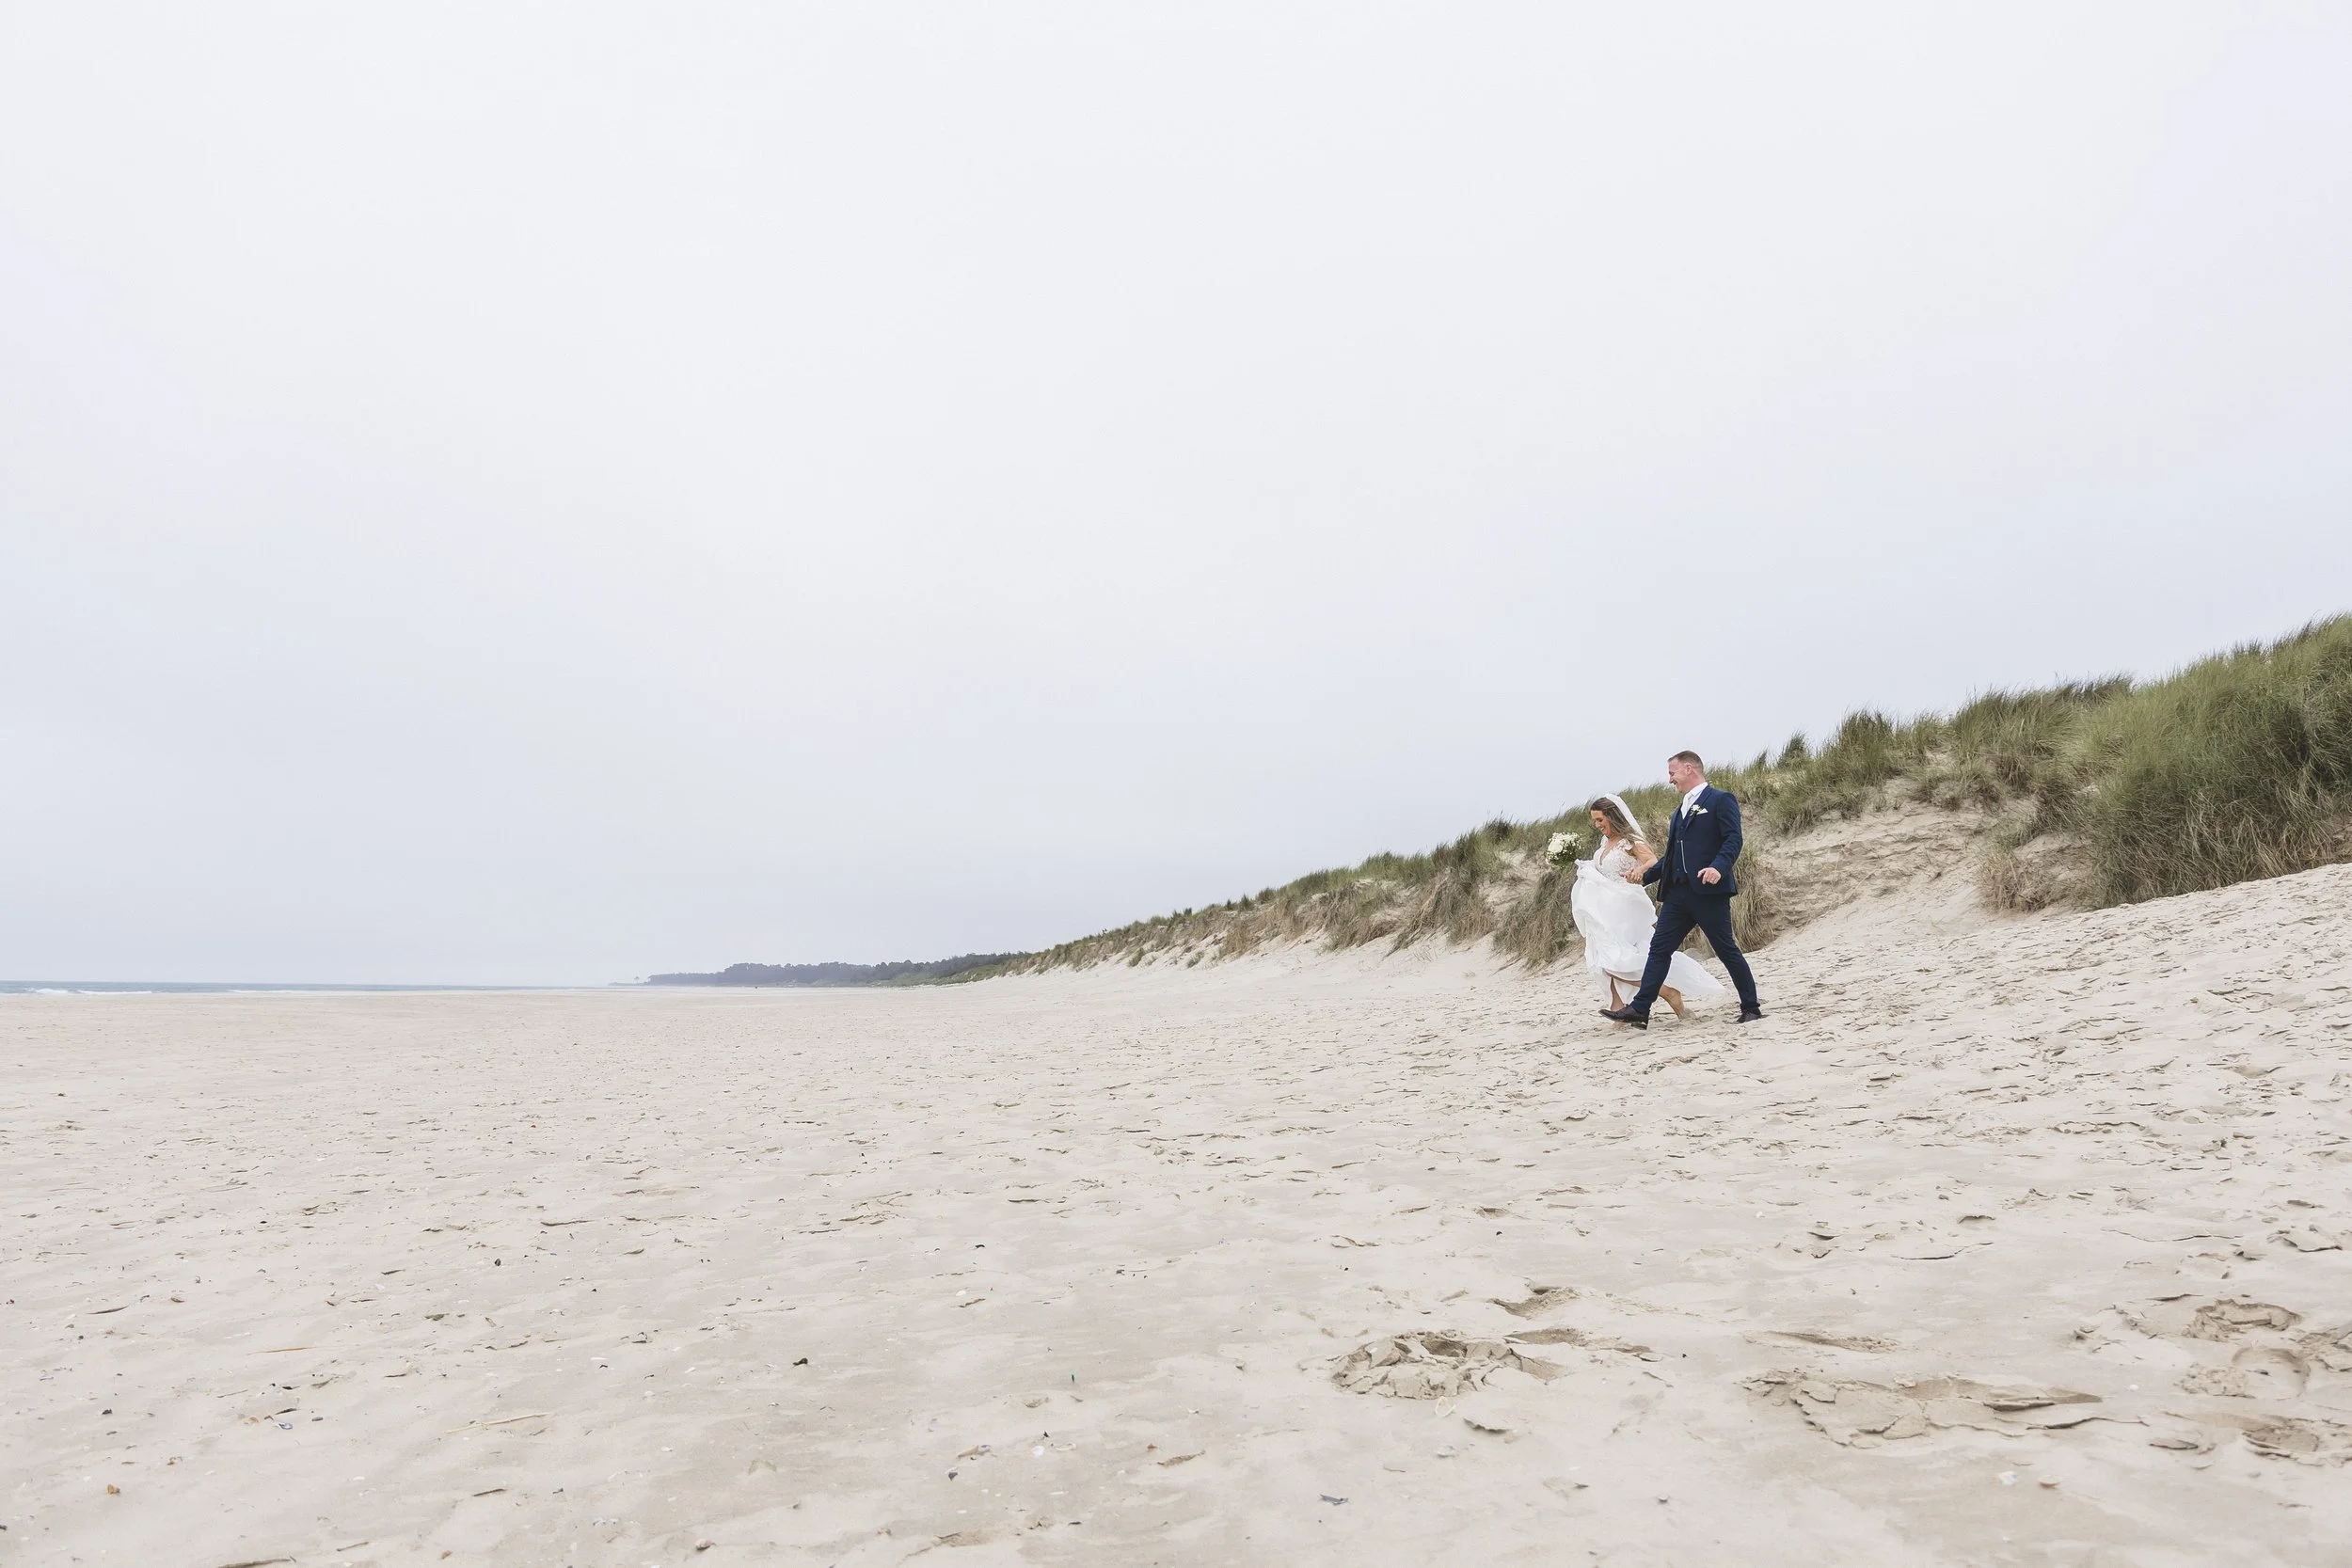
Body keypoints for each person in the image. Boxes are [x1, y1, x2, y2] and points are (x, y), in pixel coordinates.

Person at [1599, 752, 1764, 1028]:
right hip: (1677, 895)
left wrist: (1718, 867)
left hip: (1709, 892)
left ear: (1689, 769)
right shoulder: (1679, 811)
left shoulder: (1720, 800)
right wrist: (1644, 875)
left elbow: (1733, 839)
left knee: (1726, 950)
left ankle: (1751, 1007)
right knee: (1659, 950)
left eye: (1672, 773)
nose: (1669, 779)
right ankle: (1640, 1009)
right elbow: (1672, 855)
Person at [1570, 794, 1724, 1022]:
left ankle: (1668, 993)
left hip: (1624, 907)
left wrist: (1639, 871)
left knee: (1613, 961)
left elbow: (1654, 861)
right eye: (1594, 821)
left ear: (1612, 816)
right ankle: (1619, 1007)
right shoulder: (1606, 843)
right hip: (1604, 908)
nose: (1597, 825)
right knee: (1600, 961)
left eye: (1600, 820)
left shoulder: (1630, 841)